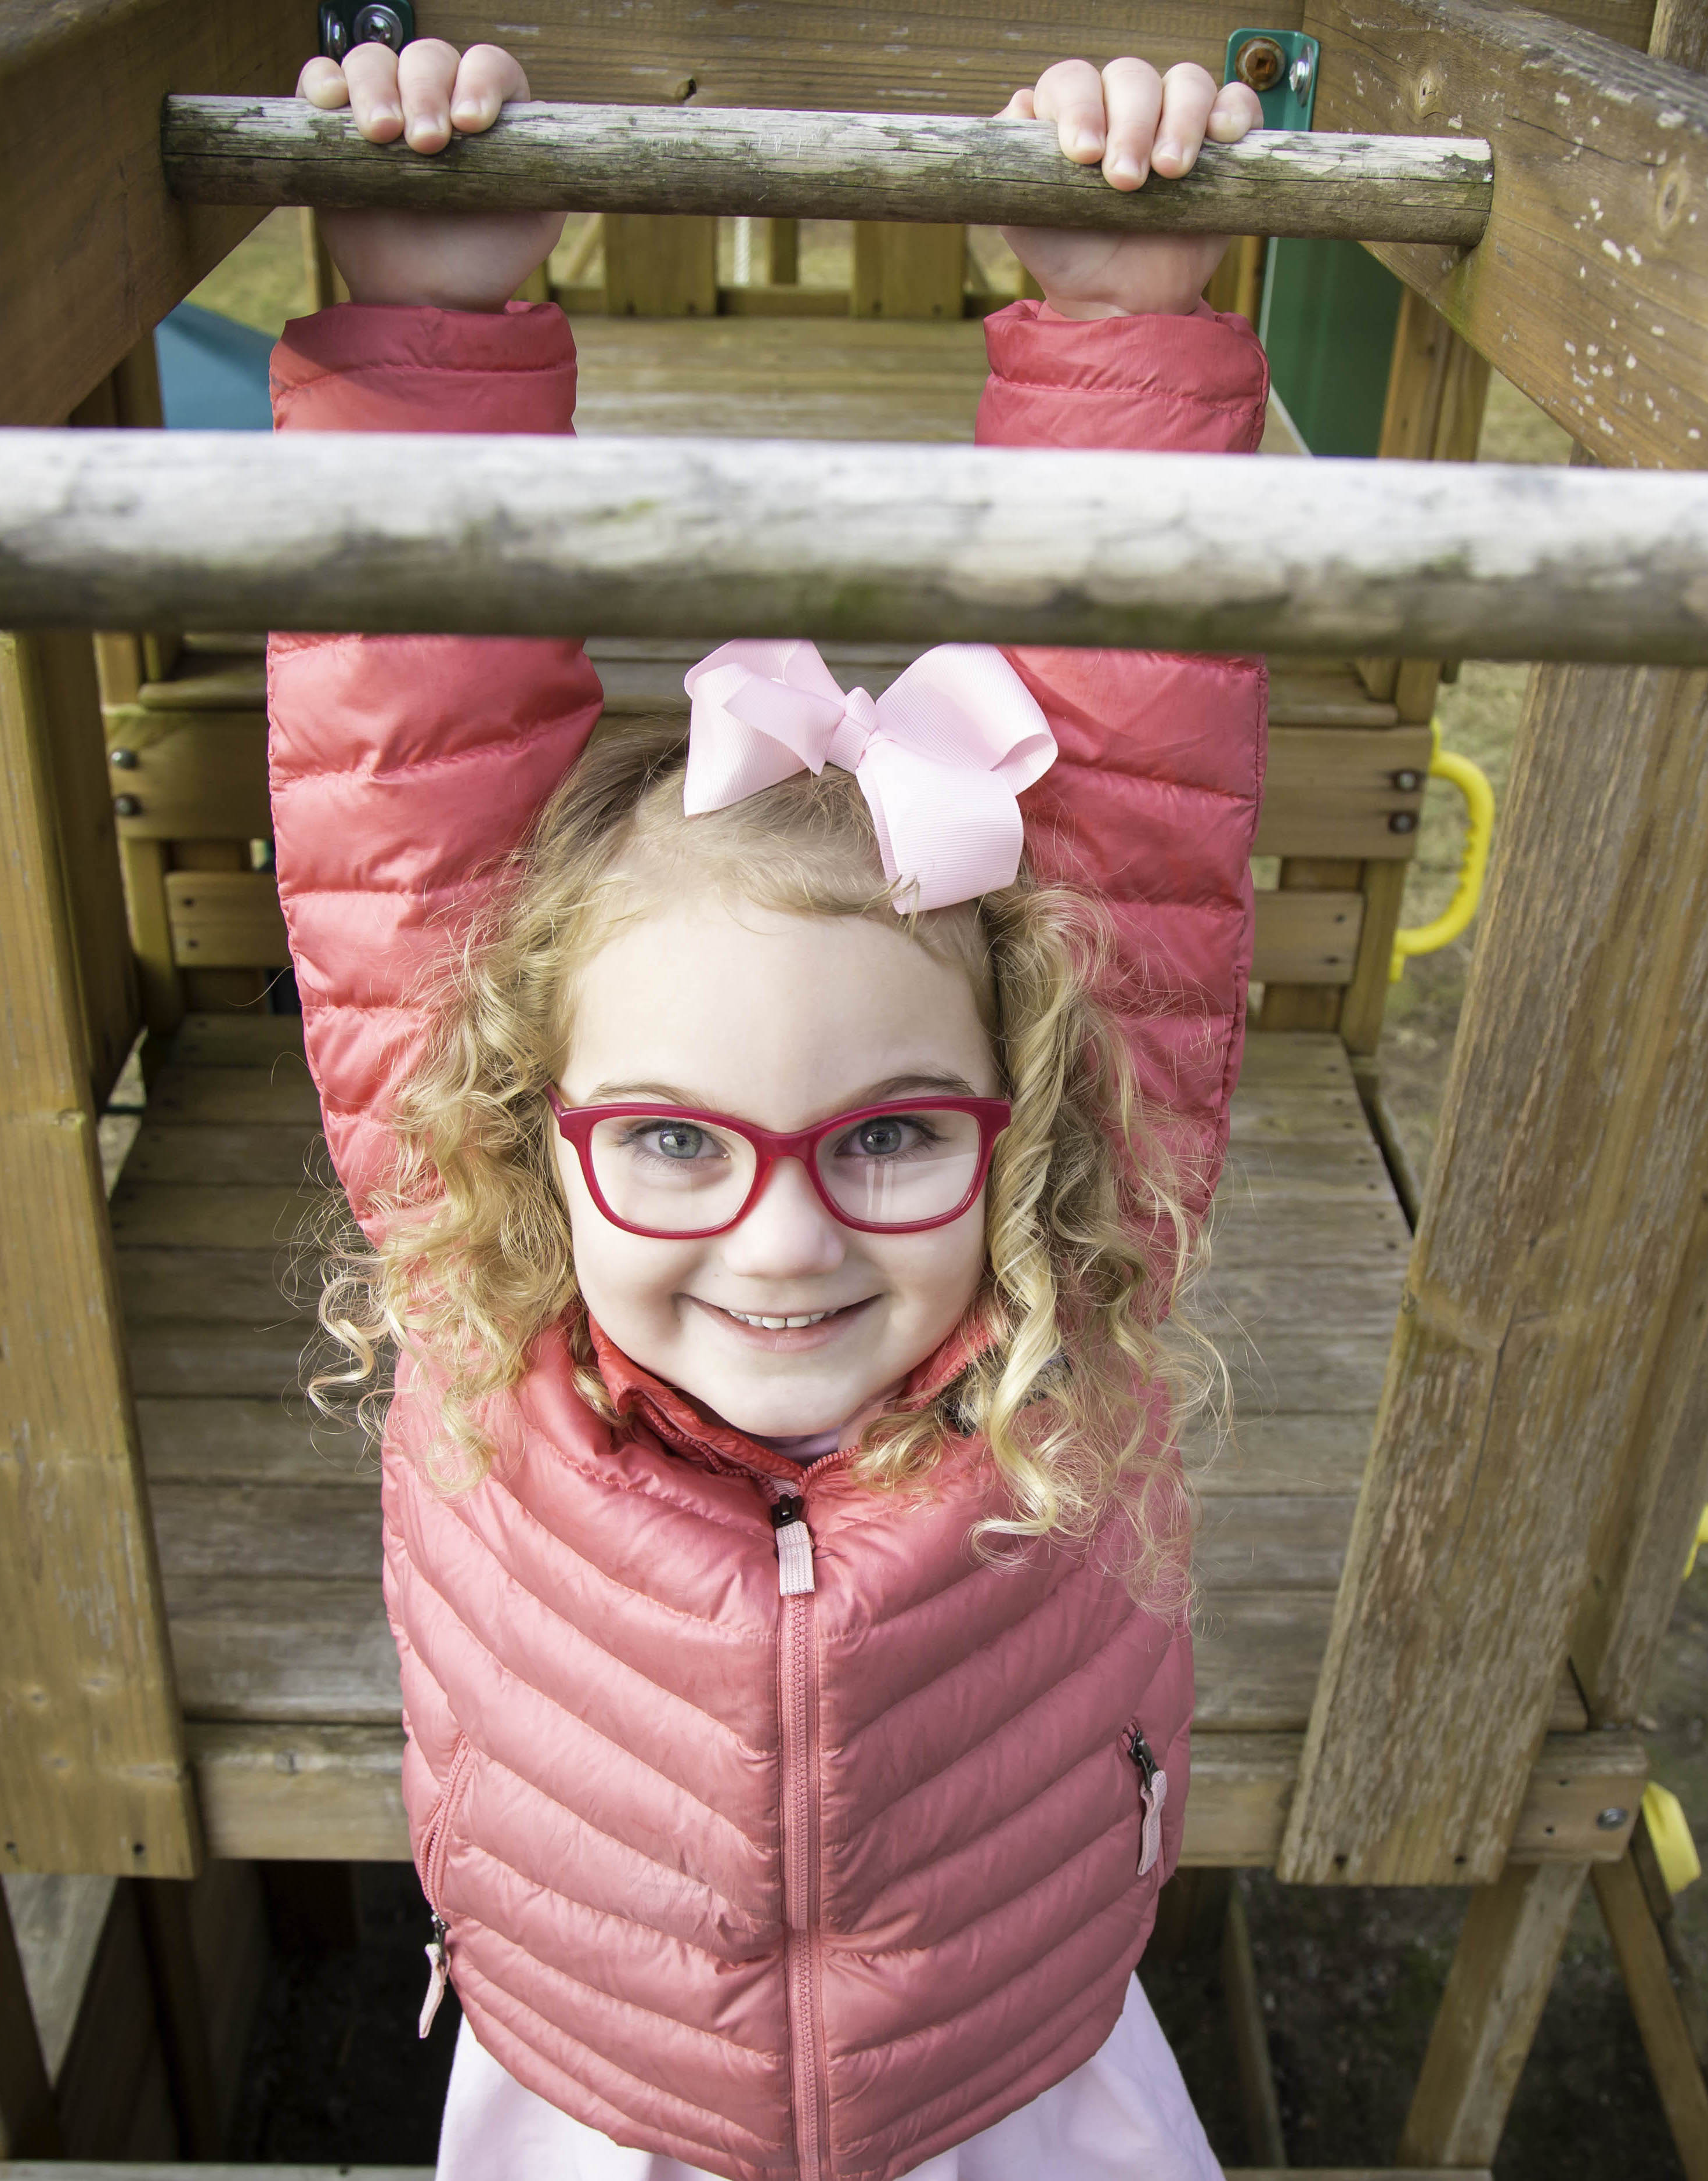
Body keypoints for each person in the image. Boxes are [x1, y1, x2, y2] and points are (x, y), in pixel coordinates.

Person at [270, 36, 1269, 2181]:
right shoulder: (482, 1277)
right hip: (595, 2101)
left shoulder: (1066, 1267)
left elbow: (1145, 793)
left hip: (1008, 2095)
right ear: (525, 1122)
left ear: (1030, 1121)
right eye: (671, 1140)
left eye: (897, 1136)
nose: (788, 1241)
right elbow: (403, 785)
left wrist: (1128, 328)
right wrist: (425, 317)